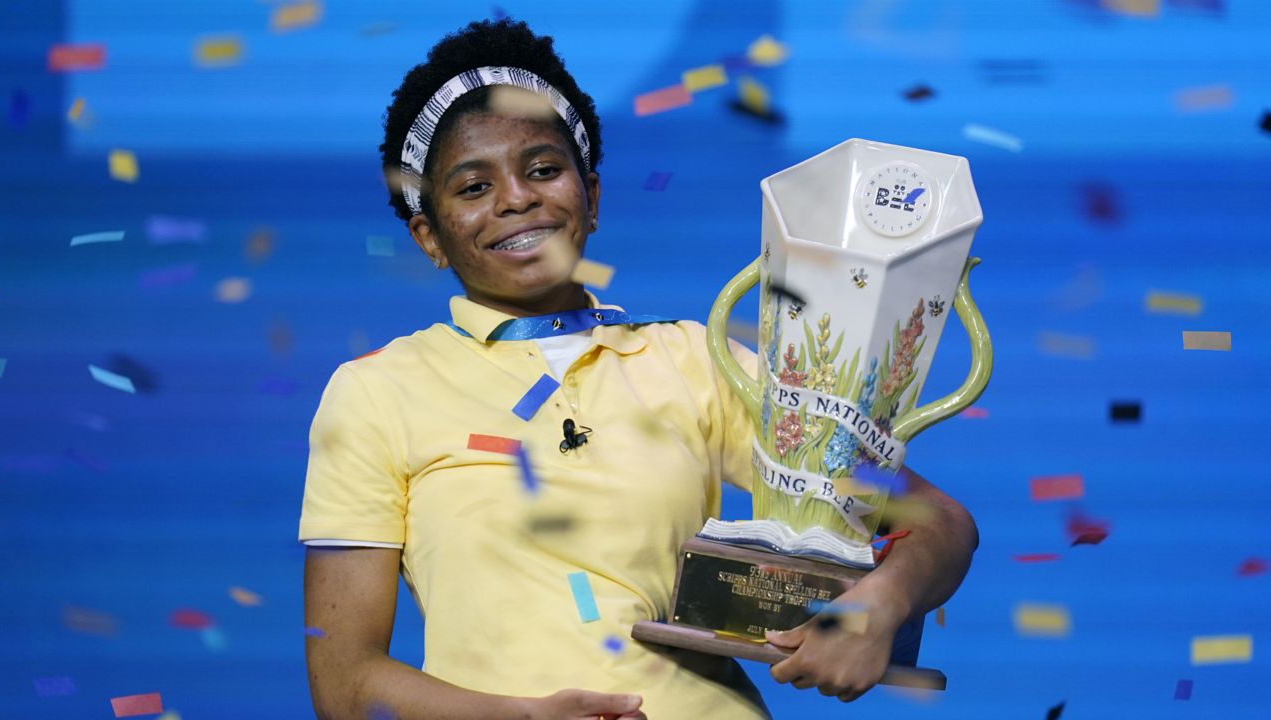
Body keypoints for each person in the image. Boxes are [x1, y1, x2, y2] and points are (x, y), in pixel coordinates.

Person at [300, 18, 978, 720]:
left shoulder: (696, 360)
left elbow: (942, 523)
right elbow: (345, 686)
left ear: (590, 196)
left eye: (542, 169)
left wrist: (878, 605)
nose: (515, 198)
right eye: (473, 188)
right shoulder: (376, 392)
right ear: (428, 236)